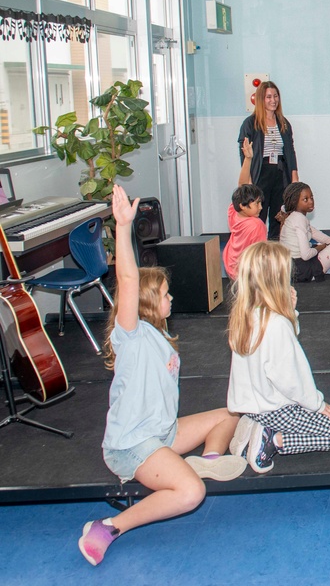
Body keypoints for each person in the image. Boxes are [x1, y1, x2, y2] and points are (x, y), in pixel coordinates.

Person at [79, 185, 245, 567]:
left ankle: (210, 457)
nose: (172, 299)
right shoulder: (132, 335)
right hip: (132, 444)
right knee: (191, 492)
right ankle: (109, 526)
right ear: (147, 302)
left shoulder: (159, 335)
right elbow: (128, 279)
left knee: (229, 413)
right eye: (166, 295)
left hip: (162, 433)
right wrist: (123, 227)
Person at [227, 242, 330, 473]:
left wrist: (290, 313)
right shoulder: (276, 324)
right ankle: (273, 440)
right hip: (276, 410)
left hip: (253, 405)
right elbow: (291, 379)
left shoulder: (245, 315)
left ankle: (254, 426)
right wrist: (317, 404)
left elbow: (275, 351)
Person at [237, 81, 298, 240]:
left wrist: (294, 176)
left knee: (279, 216)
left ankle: (275, 251)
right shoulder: (250, 123)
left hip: (279, 173)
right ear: (260, 99)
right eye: (268, 97)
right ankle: (257, 252)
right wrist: (248, 180)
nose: (273, 100)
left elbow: (290, 151)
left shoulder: (283, 123)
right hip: (260, 174)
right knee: (258, 216)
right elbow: (244, 153)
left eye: (276, 96)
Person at [223, 181, 267, 279]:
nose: (261, 207)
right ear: (242, 206)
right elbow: (262, 253)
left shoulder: (233, 213)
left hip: (231, 264)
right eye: (257, 203)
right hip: (247, 271)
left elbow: (241, 183)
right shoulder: (256, 224)